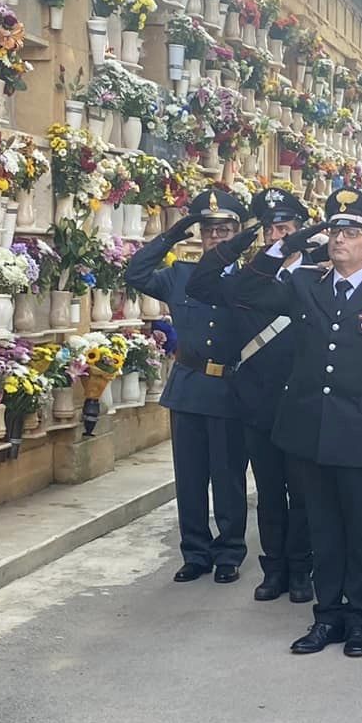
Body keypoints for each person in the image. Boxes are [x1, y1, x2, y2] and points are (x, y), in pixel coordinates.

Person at [222, 189, 362, 658]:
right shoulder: (306, 284)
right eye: (335, 232)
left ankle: (359, 619)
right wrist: (298, 241)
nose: (340, 241)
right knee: (323, 530)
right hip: (309, 431)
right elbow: (246, 291)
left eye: (351, 234)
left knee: (360, 529)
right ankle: (326, 616)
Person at [184, 186, 315, 603]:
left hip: (304, 403)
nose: (277, 236)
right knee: (270, 492)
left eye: (286, 228)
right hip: (257, 402)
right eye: (271, 229)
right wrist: (244, 237)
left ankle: (301, 569)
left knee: (304, 494)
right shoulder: (246, 280)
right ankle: (273, 569)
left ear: (300, 231)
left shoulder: (320, 276)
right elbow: (201, 282)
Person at [124, 186, 249, 583]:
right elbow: (135, 273)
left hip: (231, 388)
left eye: (225, 229)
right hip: (190, 386)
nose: (217, 237)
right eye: (209, 230)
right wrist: (172, 235)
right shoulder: (180, 275)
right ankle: (195, 551)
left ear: (238, 233)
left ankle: (229, 550)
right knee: (190, 477)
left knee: (228, 477)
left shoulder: (251, 280)